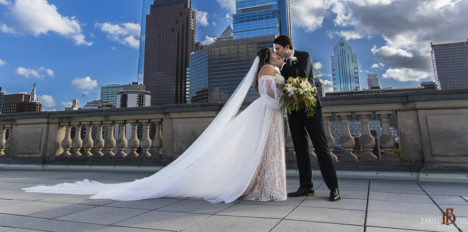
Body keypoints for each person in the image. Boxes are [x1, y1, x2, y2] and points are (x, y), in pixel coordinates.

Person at [24, 48, 287, 203]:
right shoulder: (268, 70)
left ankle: (261, 184)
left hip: (266, 113)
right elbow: (267, 94)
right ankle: (258, 185)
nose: (277, 55)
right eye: (275, 53)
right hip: (266, 111)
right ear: (267, 57)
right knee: (259, 150)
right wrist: (285, 98)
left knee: (260, 150)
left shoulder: (270, 69)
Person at [273, 35, 341, 202]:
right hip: (294, 110)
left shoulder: (304, 56)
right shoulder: (279, 66)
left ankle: (334, 188)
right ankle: (306, 187)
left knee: (320, 147)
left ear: (287, 47)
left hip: (310, 108)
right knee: (300, 149)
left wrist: (283, 66)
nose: (276, 52)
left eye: (278, 49)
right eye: (275, 50)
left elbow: (301, 76)